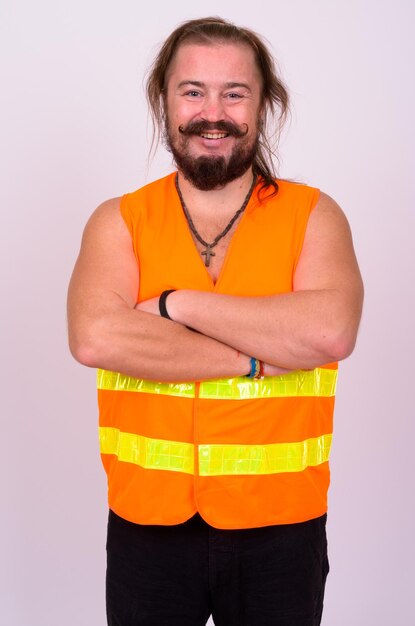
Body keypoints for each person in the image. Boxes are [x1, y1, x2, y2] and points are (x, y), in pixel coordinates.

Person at [67, 16, 363, 626]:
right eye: (193, 91)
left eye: (235, 92)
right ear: (164, 100)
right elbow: (96, 336)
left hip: (282, 526)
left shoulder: (314, 215)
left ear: (264, 106)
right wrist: (258, 355)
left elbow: (330, 332)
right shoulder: (119, 220)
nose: (213, 112)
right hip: (146, 525)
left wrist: (180, 304)